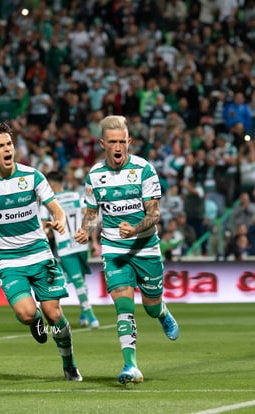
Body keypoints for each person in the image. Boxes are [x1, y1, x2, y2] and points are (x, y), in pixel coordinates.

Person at [0, 122, 82, 382]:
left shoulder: (32, 176)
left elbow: (55, 207)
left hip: (40, 255)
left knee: (54, 314)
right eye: (0, 145)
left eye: (9, 143)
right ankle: (34, 322)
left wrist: (59, 219)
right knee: (26, 313)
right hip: (9, 261)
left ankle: (69, 363)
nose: (7, 149)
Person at [74, 115, 179, 385]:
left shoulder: (144, 170)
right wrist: (86, 229)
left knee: (151, 306)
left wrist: (135, 229)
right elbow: (91, 212)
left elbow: (154, 214)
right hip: (114, 250)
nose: (118, 147)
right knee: (123, 306)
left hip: (145, 247)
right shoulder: (94, 176)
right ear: (102, 144)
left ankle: (163, 313)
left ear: (129, 141)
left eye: (122, 141)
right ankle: (130, 365)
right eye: (112, 142)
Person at [41, 170, 99, 329]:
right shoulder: (75, 196)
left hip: (65, 246)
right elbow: (89, 216)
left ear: (51, 184)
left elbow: (43, 226)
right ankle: (86, 315)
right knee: (80, 280)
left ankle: (91, 317)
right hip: (81, 243)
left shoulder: (48, 203)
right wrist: (94, 241)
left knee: (78, 280)